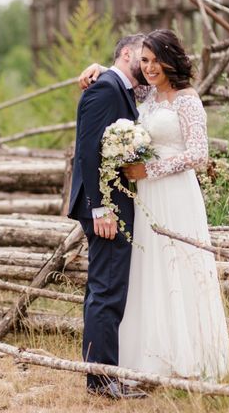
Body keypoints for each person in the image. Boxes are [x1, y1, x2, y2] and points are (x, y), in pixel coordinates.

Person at [78, 29, 229, 383]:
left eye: (155, 60)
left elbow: (199, 153)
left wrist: (151, 169)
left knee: (178, 267)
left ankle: (189, 357)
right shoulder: (146, 95)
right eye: (144, 60)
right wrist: (99, 67)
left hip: (175, 192)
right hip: (145, 197)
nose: (148, 67)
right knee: (148, 271)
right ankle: (148, 357)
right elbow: (121, 79)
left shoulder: (186, 99)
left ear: (170, 59)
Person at [68, 34, 147, 399]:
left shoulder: (120, 86)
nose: (148, 63)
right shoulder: (105, 89)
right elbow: (87, 151)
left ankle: (101, 373)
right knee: (106, 290)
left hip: (115, 204)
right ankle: (101, 380)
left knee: (105, 288)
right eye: (143, 56)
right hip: (107, 208)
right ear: (127, 53)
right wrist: (100, 207)